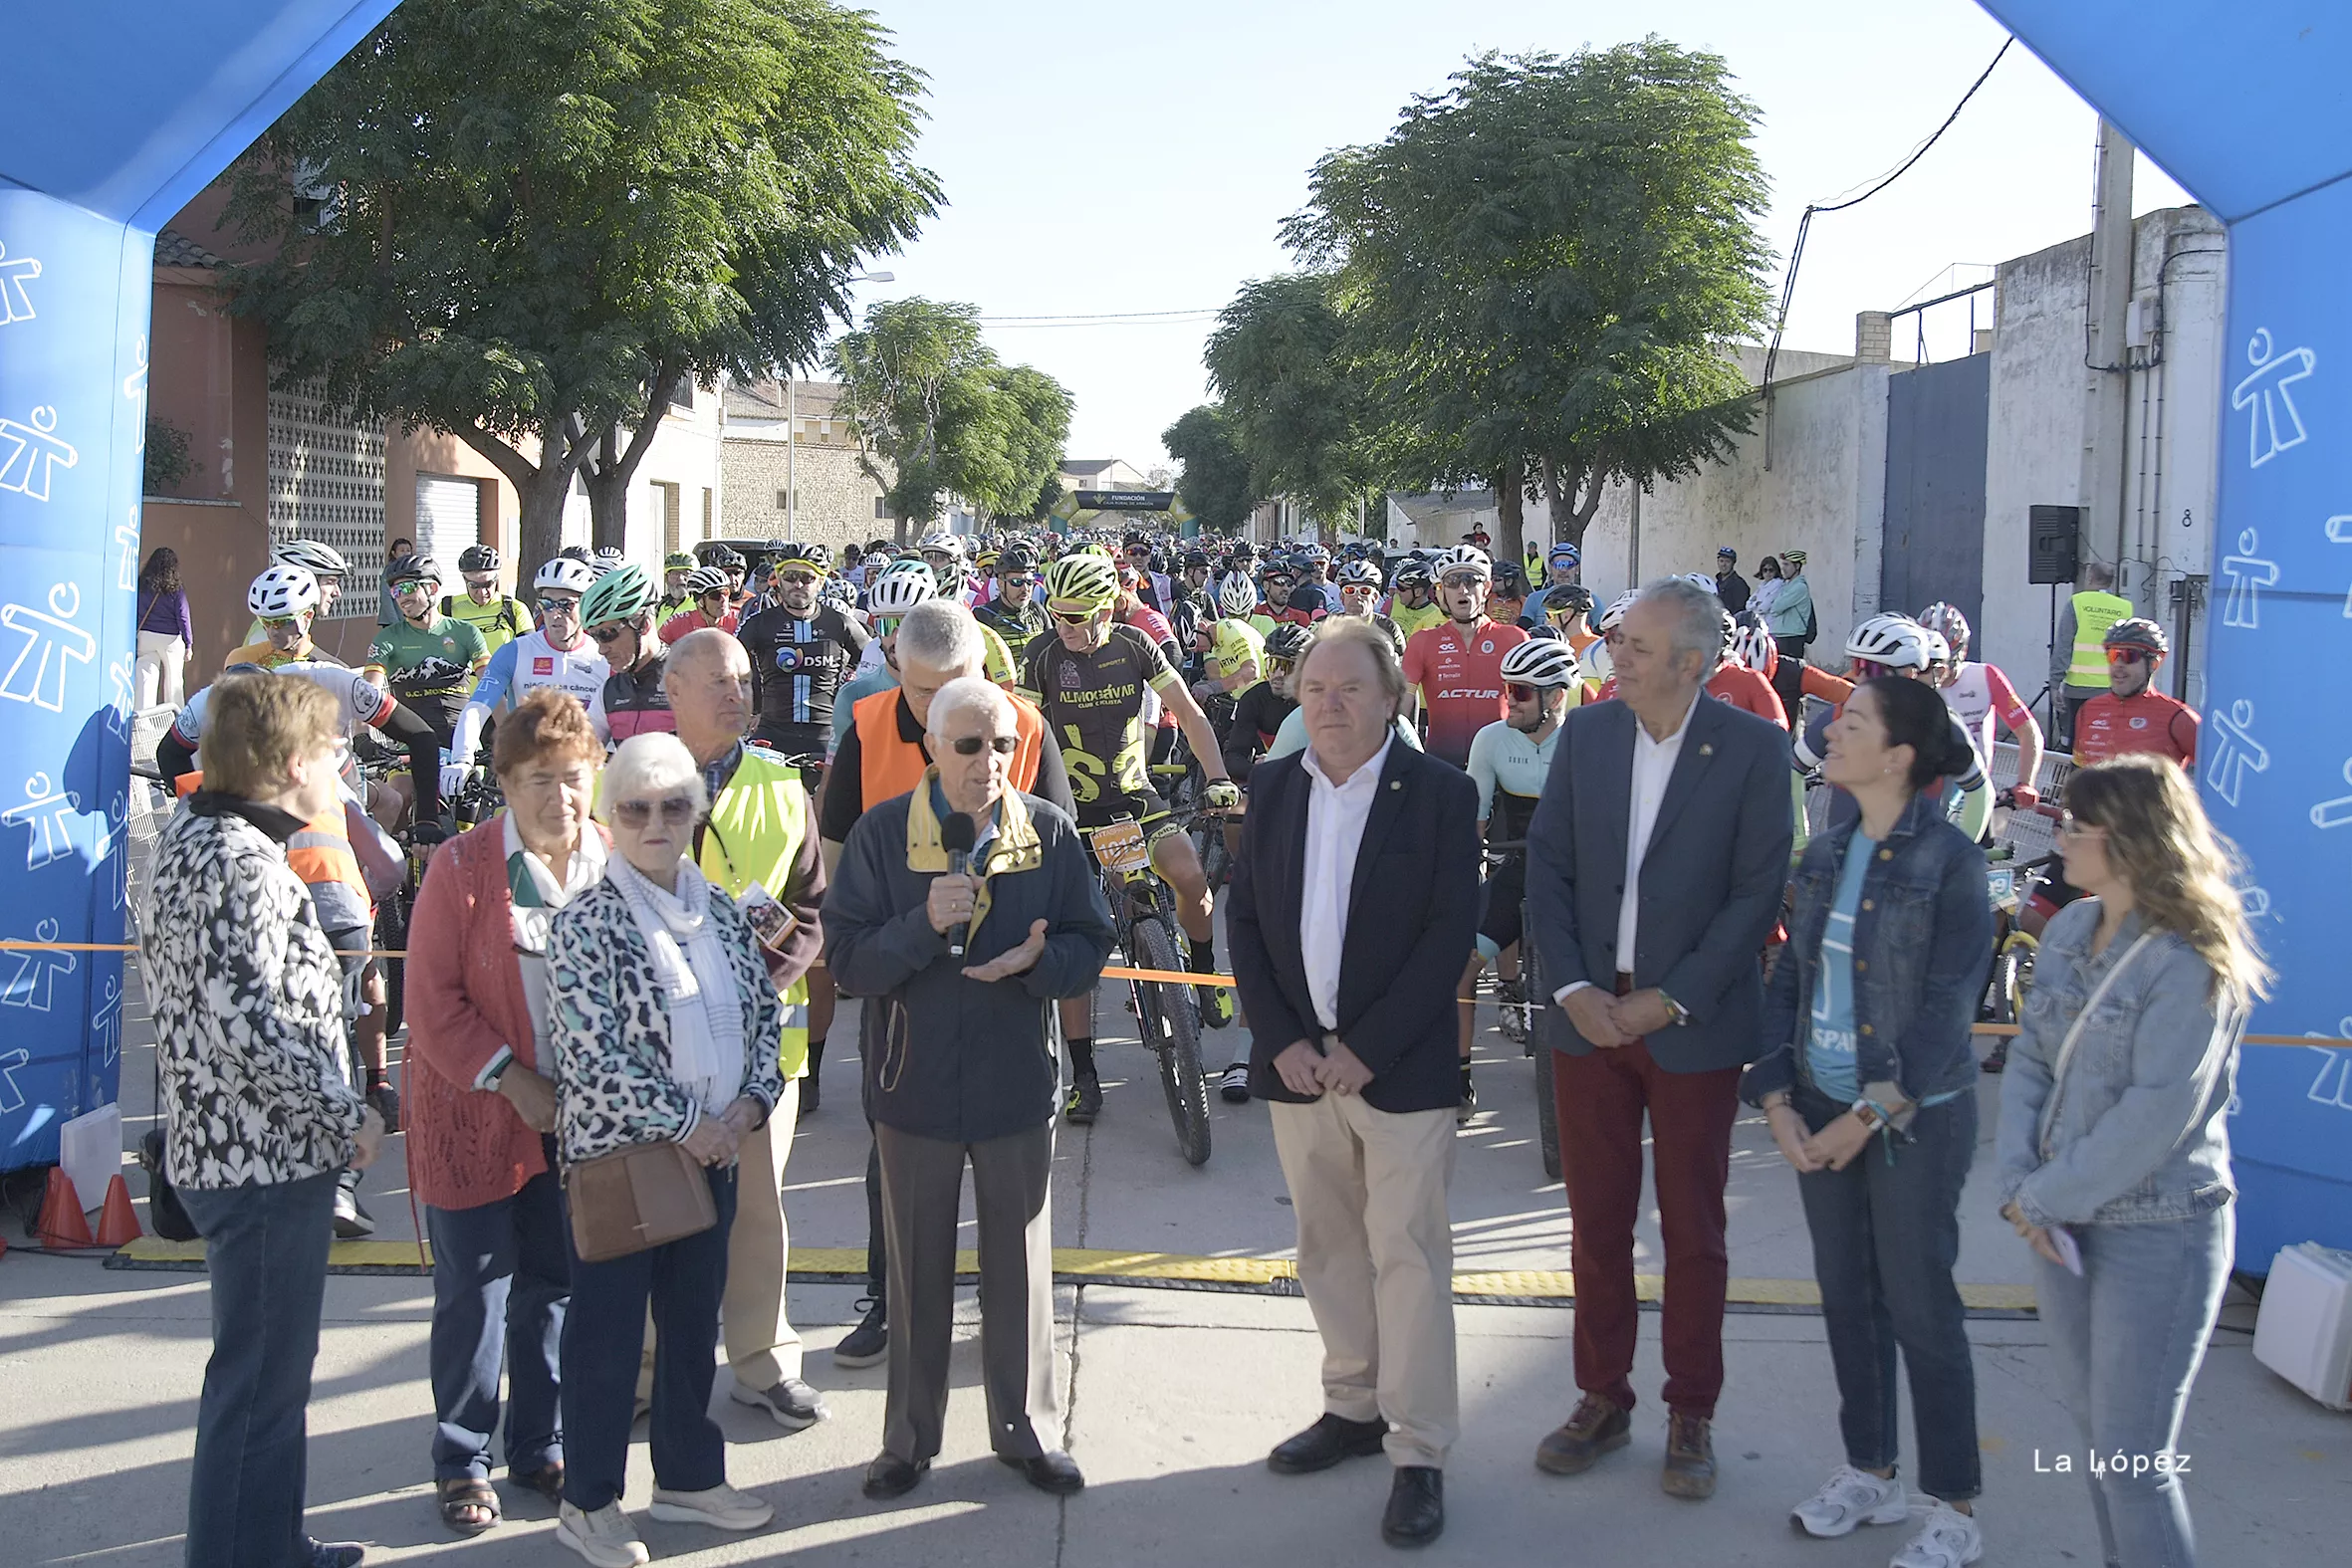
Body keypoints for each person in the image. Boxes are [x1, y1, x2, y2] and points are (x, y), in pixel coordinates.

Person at [1524, 576, 1794, 1500]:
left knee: (1694, 1229)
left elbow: (1758, 892)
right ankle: (1602, 1396)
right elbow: (1548, 865)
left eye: (1634, 645)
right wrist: (1573, 988)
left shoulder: (1756, 749)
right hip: (1586, 1015)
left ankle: (1692, 1410)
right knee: (1597, 1225)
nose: (1615, 655)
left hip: (1692, 1026)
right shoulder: (1589, 733)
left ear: (1689, 662)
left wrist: (1670, 998)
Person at [823, 675, 1115, 1502]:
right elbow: (846, 960)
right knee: (915, 1274)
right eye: (969, 744)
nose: (989, 760)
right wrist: (924, 924)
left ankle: (1026, 1431)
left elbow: (1090, 941)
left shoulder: (1050, 832)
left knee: (1019, 1267)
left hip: (1017, 1085)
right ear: (929, 747)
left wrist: (1039, 963)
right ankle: (908, 1442)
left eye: (1003, 744)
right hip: (911, 1088)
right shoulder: (884, 835)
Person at [1228, 616, 1480, 1550]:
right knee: (1327, 1245)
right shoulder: (1272, 787)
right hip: (1300, 1069)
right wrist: (1284, 1038)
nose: (1329, 705)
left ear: (1392, 698)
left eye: (1350, 688)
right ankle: (1353, 1407)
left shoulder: (1441, 797)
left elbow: (1449, 933)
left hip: (1398, 1068)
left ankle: (1418, 1450)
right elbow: (1245, 924)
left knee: (1408, 1255)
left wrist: (1365, 1046)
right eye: (1315, 688)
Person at [1742, 677, 1995, 1568]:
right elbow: (1787, 983)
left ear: (1898, 756)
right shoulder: (1826, 851)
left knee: (1921, 1306)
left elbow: (1945, 1007)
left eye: (1852, 724)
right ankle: (1869, 1470)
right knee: (1848, 1296)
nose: (1830, 731)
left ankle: (1954, 1501)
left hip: (1911, 1120)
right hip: (1816, 1105)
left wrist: (1867, 1114)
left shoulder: (1951, 862)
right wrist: (1775, 1095)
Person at [1994, 755, 2267, 1568]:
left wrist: (2039, 1196)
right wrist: (2021, 1185)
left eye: (2077, 824)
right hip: (2062, 1218)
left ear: (2132, 839)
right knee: (2099, 1444)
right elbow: (2032, 1061)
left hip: (2160, 1227)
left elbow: (2155, 1115)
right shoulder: (2074, 926)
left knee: (2133, 1460)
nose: (2060, 835)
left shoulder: (2192, 960)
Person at [142, 672, 384, 1568]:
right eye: (332, 749)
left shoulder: (200, 838)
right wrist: (347, 1115)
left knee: (269, 1378)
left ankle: (273, 1541)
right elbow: (256, 1031)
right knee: (258, 1385)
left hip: (241, 1157)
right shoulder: (239, 861)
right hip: (262, 1165)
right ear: (289, 765)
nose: (342, 764)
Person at [546, 732, 784, 1567]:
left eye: (673, 805)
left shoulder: (718, 906)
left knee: (692, 1326)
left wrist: (752, 1103)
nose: (656, 822)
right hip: (628, 1164)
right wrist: (692, 1125)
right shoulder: (585, 920)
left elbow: (765, 1015)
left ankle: (686, 1479)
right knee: (607, 1340)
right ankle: (589, 1501)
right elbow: (590, 1052)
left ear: (697, 812)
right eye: (637, 807)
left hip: (716, 1154)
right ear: (611, 817)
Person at [823, 602, 1075, 1365]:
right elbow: (838, 857)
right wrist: (892, 934)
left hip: (1007, 993)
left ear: (983, 670)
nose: (936, 708)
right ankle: (889, 1300)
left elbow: (1060, 855)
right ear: (897, 669)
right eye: (922, 693)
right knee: (892, 1166)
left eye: (954, 687)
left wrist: (1028, 946)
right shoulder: (867, 727)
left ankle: (1015, 1324)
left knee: (1016, 1177)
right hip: (907, 990)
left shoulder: (1023, 727)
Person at [404, 690, 600, 1535]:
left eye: (571, 778)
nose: (559, 799)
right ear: (505, 785)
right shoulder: (461, 867)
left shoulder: (610, 857)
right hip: (479, 1115)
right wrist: (514, 1081)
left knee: (554, 1288)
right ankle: (461, 1456)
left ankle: (539, 1444)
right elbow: (432, 1002)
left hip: (581, 1127)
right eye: (536, 782)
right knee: (476, 1292)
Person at [658, 629, 830, 1431]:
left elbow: (810, 911)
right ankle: (645, 1369)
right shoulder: (628, 784)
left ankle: (763, 1363)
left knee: (759, 1211)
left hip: (766, 1052)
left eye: (743, 679)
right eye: (718, 680)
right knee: (656, 1213)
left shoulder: (781, 786)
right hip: (658, 1056)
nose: (737, 691)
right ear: (673, 690)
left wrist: (763, 982)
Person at [1020, 552, 1242, 1121]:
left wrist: (1217, 777)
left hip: (1135, 796)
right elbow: (1021, 734)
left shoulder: (1135, 645)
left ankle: (1202, 971)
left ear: (1107, 608)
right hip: (1072, 809)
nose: (1066, 627)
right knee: (1072, 940)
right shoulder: (1041, 655)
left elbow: (1189, 715)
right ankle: (1085, 1075)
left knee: (1191, 878)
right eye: (1058, 614)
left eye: (1078, 616)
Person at [1457, 637, 1582, 1115]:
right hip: (1521, 865)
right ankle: (1458, 1078)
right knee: (1462, 968)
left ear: (1555, 697)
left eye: (1522, 692)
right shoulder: (1490, 739)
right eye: (1508, 688)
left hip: (1578, 875)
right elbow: (1476, 818)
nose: (1510, 699)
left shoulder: (1583, 739)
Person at [450, 557, 608, 782]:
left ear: (586, 606)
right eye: (547, 604)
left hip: (583, 774)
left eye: (566, 605)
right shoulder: (514, 652)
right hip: (527, 773)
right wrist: (462, 759)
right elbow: (477, 708)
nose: (555, 614)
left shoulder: (603, 657)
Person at [736, 544, 870, 759]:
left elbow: (873, 656)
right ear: (778, 580)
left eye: (807, 578)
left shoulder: (839, 622)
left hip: (825, 732)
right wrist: (754, 708)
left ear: (820, 582)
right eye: (790, 576)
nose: (798, 584)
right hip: (772, 730)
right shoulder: (759, 623)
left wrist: (851, 680)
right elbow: (730, 663)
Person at [365, 554, 493, 777]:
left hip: (461, 742)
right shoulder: (388, 638)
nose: (400, 598)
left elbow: (491, 685)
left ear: (432, 588)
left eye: (407, 589)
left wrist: (509, 732)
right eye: (395, 592)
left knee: (474, 799)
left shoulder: (465, 632)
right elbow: (367, 693)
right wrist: (361, 736)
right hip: (409, 743)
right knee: (399, 798)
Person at [1400, 548, 1528, 770]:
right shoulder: (1423, 641)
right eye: (1453, 581)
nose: (1462, 589)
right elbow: (1401, 707)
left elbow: (1529, 706)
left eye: (1471, 580)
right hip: (1441, 764)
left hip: (1503, 764)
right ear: (1440, 591)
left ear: (1486, 588)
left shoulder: (1514, 639)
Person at [1920, 601, 2044, 808]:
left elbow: (2028, 731)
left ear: (1960, 652)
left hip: (1975, 792)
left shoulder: (1986, 677)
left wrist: (2025, 783)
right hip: (1925, 789)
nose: (1935, 669)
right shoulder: (1913, 680)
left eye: (1942, 660)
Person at [2071, 617, 2198, 768]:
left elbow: (2220, 777)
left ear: (2153, 664)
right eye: (2112, 655)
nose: (2118, 664)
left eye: (2129, 656)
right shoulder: (2089, 709)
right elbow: (2077, 771)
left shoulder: (2179, 717)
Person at [581, 564, 675, 744]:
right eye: (594, 637)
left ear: (645, 624)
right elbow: (583, 756)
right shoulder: (609, 691)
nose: (601, 649)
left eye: (607, 634)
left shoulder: (688, 680)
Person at [2050, 560, 2133, 750]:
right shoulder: (2125, 608)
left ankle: (2067, 778)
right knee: (2107, 743)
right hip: (2113, 688)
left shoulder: (2077, 603)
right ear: (2111, 582)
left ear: (2089, 578)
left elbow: (2064, 646)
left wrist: (2055, 684)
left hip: (2078, 689)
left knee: (2072, 743)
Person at [441, 545, 535, 661]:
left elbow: (531, 653)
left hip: (503, 678)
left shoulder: (515, 609)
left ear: (496, 578)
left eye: (487, 584)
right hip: (462, 679)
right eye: (473, 585)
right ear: (464, 580)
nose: (481, 592)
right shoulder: (447, 607)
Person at [135, 546, 192, 709]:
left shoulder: (141, 585)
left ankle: (142, 721)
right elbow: (183, 617)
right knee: (174, 681)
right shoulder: (175, 589)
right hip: (170, 639)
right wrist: (189, 644)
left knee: (145, 677)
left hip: (145, 636)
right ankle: (174, 721)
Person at [976, 545, 1050, 648]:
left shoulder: (1038, 610)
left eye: (1029, 582)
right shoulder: (983, 615)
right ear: (1000, 584)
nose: (1025, 588)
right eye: (1017, 582)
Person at [659, 566, 740, 645]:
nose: (723, 599)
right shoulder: (677, 623)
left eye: (726, 592)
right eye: (715, 595)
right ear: (700, 600)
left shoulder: (738, 620)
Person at [1765, 548, 1817, 669]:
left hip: (1793, 637)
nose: (1783, 568)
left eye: (1787, 564)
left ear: (1797, 566)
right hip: (1781, 635)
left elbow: (1776, 607)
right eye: (1783, 564)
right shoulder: (1788, 585)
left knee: (1791, 674)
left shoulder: (1799, 587)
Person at [1384, 557, 1445, 644]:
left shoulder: (1435, 616)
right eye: (1397, 585)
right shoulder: (1396, 600)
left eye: (1402, 588)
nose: (1397, 591)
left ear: (1418, 592)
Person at [1524, 542, 1584, 624]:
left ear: (1577, 569)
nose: (1563, 570)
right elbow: (1522, 632)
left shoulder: (1589, 600)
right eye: (1558, 565)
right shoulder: (1534, 599)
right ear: (1550, 568)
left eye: (1568, 565)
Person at [1713, 547, 1751, 615]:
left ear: (1733, 563)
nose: (1724, 565)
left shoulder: (1739, 584)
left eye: (1727, 561)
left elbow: (1740, 612)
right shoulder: (1717, 583)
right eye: (1721, 561)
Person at [1749, 555, 1785, 624]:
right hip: (1760, 622)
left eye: (1771, 570)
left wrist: (1755, 605)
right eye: (1765, 570)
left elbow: (1764, 607)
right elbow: (1748, 605)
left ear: (1776, 571)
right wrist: (1757, 604)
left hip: (1771, 623)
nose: (1768, 573)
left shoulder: (1778, 584)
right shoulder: (1761, 585)